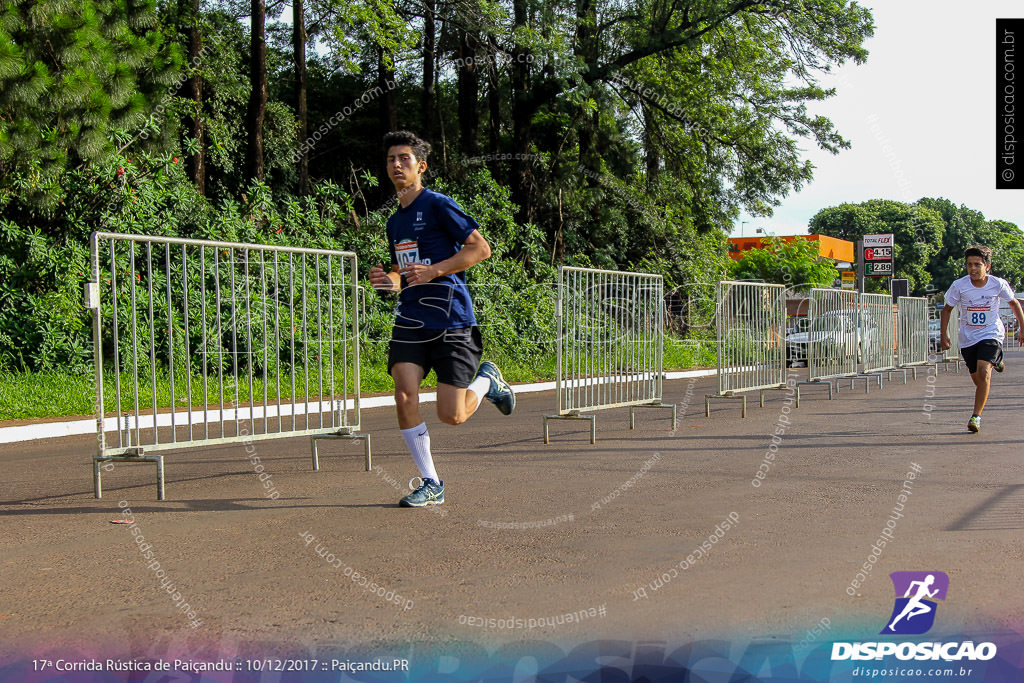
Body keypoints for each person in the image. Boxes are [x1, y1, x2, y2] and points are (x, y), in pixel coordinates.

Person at [368, 131, 515, 507]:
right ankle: (431, 482)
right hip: (412, 320)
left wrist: (434, 271)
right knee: (404, 395)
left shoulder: (438, 205)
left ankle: (486, 381)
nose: (397, 165)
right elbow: (404, 274)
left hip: (452, 320)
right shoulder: (394, 223)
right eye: (391, 160)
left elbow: (481, 249)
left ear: (421, 166)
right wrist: (389, 281)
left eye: (404, 158)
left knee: (452, 416)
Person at [940, 245, 1024, 433]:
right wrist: (943, 335)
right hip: (968, 338)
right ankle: (997, 361)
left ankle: (976, 416)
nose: (973, 269)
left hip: (991, 333)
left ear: (987, 266)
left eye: (978, 264)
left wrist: (1022, 328)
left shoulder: (997, 284)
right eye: (969, 265)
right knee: (978, 379)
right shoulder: (959, 286)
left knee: (984, 372)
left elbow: (1014, 303)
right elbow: (947, 309)